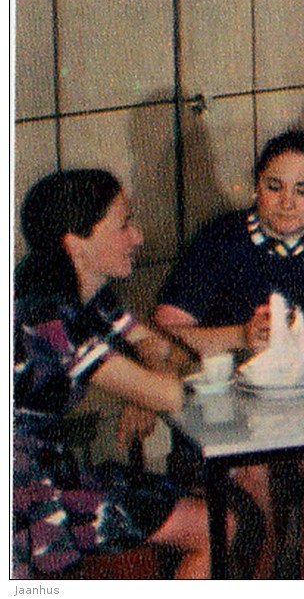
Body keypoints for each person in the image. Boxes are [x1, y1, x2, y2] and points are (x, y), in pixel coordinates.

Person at [154, 129, 304, 577]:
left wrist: (300, 332)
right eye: (274, 187)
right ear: (256, 186)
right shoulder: (221, 239)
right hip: (234, 404)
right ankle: (263, 571)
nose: (287, 202)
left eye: (303, 190)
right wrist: (240, 334)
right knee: (252, 469)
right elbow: (167, 325)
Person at [15, 170, 220, 579]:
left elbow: (166, 350)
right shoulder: (47, 317)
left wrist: (143, 386)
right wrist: (148, 389)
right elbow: (173, 396)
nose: (138, 237)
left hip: (50, 469)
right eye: (123, 224)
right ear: (75, 244)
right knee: (216, 525)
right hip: (24, 491)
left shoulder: (93, 298)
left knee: (220, 522)